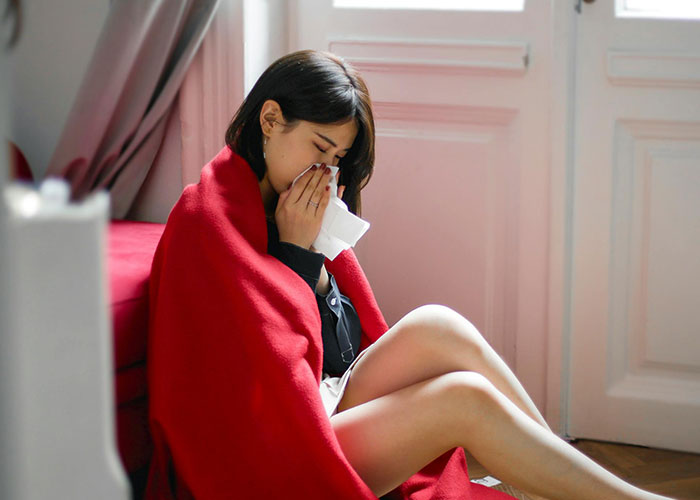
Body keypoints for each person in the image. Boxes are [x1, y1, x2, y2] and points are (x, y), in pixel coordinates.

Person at [158, 50, 675, 500]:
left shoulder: (293, 205)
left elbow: (339, 352)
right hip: (273, 447)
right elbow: (255, 389)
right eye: (319, 147)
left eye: (337, 158)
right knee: (463, 400)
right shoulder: (207, 220)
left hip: (319, 402)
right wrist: (297, 256)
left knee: (438, 324)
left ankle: (555, 481)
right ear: (270, 119)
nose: (326, 171)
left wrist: (310, 258)